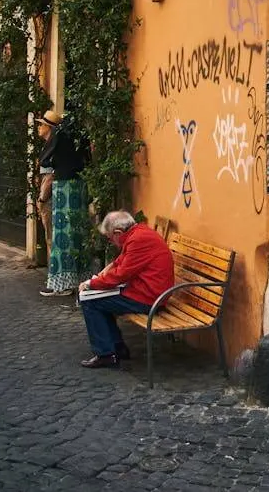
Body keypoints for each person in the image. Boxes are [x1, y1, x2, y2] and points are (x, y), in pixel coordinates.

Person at [77, 211, 175, 369]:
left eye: (110, 238)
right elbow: (123, 260)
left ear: (118, 233)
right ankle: (117, 348)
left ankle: (106, 354)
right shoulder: (139, 232)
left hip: (149, 298)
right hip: (147, 291)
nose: (111, 242)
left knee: (90, 301)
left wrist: (91, 284)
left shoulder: (138, 240)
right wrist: (109, 267)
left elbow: (120, 275)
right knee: (98, 300)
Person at [38, 110, 91, 297]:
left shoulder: (58, 142)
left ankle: (61, 284)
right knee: (76, 234)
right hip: (77, 188)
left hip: (64, 191)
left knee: (63, 235)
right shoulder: (69, 140)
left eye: (41, 124)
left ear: (49, 128)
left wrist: (42, 198)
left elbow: (48, 168)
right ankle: (77, 279)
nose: (39, 128)